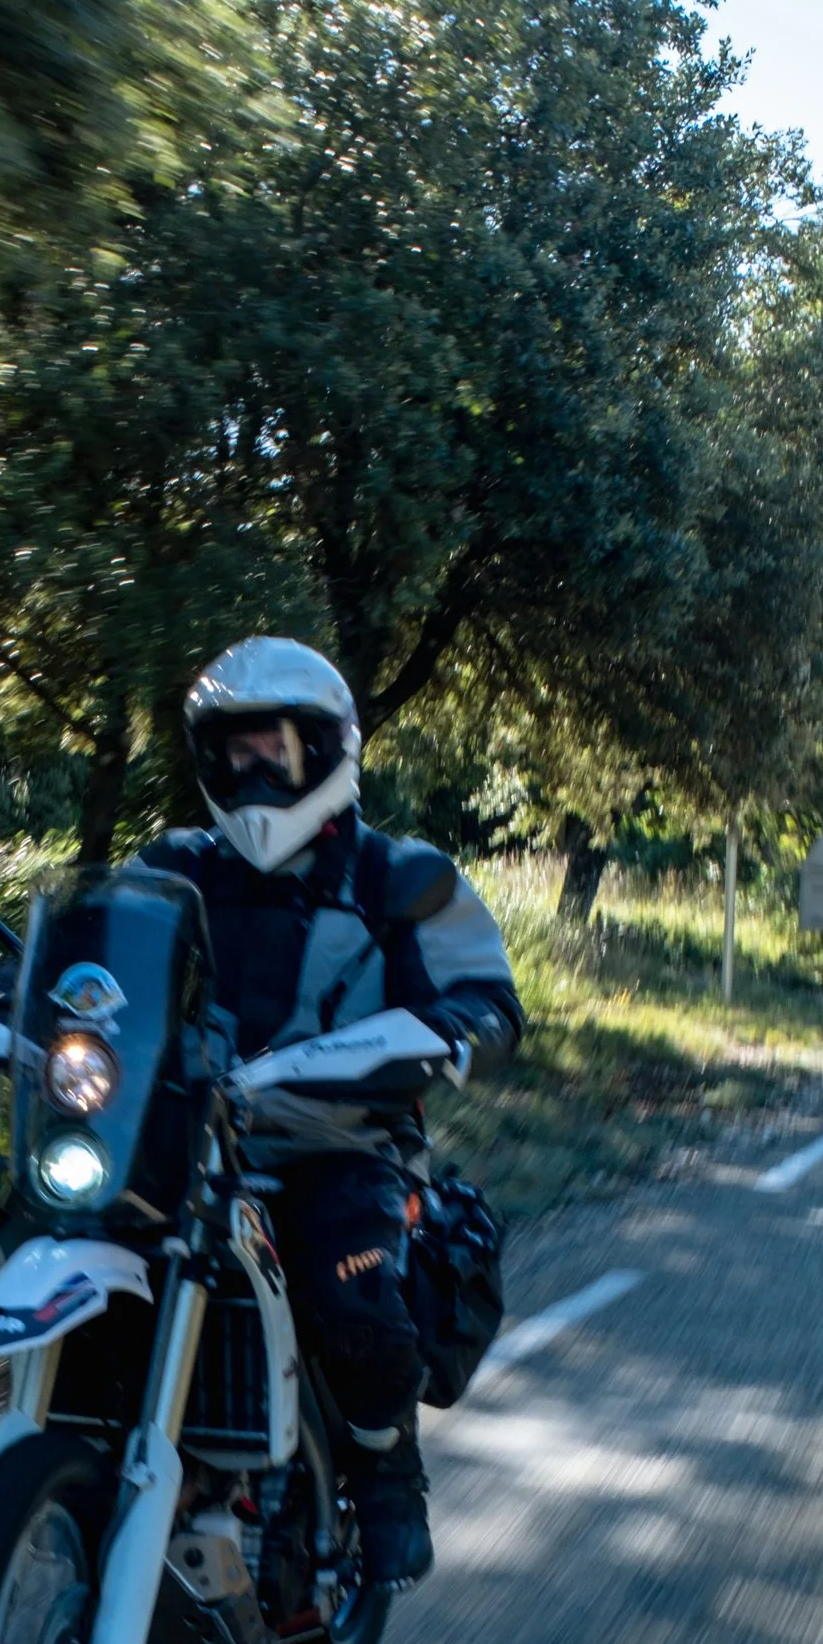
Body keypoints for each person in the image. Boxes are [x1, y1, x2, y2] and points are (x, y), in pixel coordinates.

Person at [137, 637, 522, 1591]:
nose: (254, 770)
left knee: (347, 1285)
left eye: (273, 750)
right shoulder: (174, 870)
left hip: (344, 1143)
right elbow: (91, 978)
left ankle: (388, 1473)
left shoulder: (403, 879)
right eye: (236, 753)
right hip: (193, 1139)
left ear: (325, 749)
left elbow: (486, 1000)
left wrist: (453, 1031)